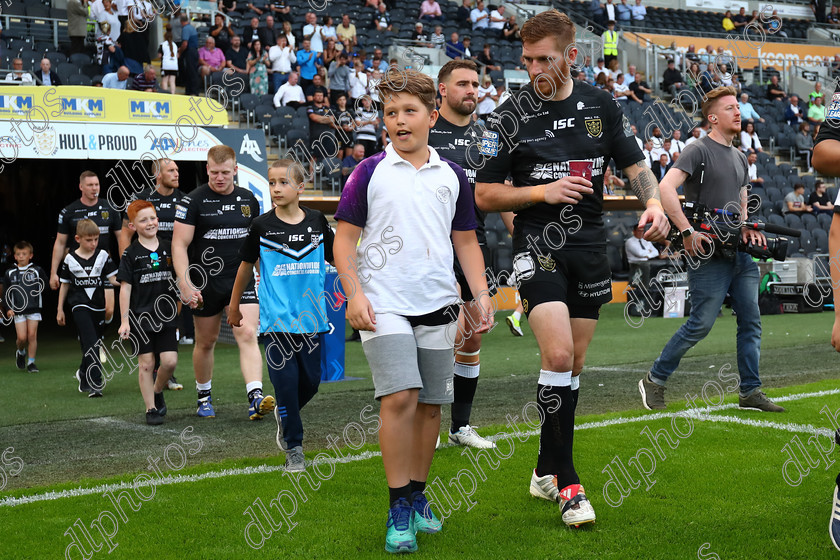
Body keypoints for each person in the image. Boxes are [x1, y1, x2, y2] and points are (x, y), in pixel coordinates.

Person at [475, 9, 669, 527]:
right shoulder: (510, 114)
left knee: (573, 367)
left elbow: (635, 167)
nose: (535, 68)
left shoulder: (601, 105)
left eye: (546, 58)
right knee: (557, 356)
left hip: (588, 246)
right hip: (536, 243)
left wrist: (651, 203)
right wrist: (542, 191)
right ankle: (570, 485)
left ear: (571, 56)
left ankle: (543, 467)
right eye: (528, 59)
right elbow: (485, 193)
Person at [334, 68, 493, 554]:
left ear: (430, 115)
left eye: (409, 111)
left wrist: (481, 294)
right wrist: (355, 293)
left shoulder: (453, 174)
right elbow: (343, 240)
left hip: (440, 302)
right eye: (390, 113)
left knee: (430, 408)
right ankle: (398, 504)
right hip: (383, 303)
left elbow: (465, 240)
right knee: (400, 397)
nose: (399, 121)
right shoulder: (368, 172)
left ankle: (419, 497)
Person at [639, 85, 784, 413]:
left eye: (738, 107)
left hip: (739, 253)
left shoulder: (739, 156)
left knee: (751, 320)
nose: (738, 112)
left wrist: (746, 226)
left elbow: (742, 195)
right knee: (701, 323)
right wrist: (687, 233)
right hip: (706, 253)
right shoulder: (697, 149)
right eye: (731, 108)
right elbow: (664, 188)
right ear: (713, 117)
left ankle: (750, 391)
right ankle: (655, 379)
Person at [230, 159, 334, 471]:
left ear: (301, 188)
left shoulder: (317, 220)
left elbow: (337, 256)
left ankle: (285, 412)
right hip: (276, 323)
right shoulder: (261, 226)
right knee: (286, 385)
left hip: (312, 321)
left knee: (311, 383)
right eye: (272, 182)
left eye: (283, 183)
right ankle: (295, 448)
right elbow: (245, 266)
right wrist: (234, 306)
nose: (276, 188)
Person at [430, 59, 506, 450]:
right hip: (428, 243)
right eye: (463, 83)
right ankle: (420, 418)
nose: (472, 90)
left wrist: (520, 233)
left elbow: (499, 190)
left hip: (473, 242)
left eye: (476, 83)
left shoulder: (488, 135)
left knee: (475, 334)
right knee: (429, 332)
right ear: (442, 90)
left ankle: (460, 426)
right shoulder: (424, 129)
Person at [172, 145, 274, 420]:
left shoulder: (248, 199)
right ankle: (203, 396)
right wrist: (185, 283)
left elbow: (258, 243)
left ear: (235, 170)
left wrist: (264, 275)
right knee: (206, 341)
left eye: (225, 173)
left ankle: (255, 396)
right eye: (215, 172)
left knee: (248, 333)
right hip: (205, 284)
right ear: (207, 169)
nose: (220, 177)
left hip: (240, 281)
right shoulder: (192, 201)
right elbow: (179, 245)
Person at [117, 200, 179, 425]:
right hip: (140, 318)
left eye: (152, 218)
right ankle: (150, 408)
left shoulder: (170, 246)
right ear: (132, 226)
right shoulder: (130, 254)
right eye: (143, 220)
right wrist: (125, 321)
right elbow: (125, 288)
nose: (150, 223)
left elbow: (180, 276)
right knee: (146, 364)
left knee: (170, 362)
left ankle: (157, 388)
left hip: (167, 315)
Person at [57, 219, 119, 397]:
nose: (93, 243)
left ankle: (83, 373)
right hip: (79, 306)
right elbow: (65, 284)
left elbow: (113, 279)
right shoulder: (69, 259)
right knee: (92, 344)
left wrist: (128, 282)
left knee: (91, 344)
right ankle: (95, 384)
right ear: (77, 238)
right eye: (89, 240)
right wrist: (59, 309)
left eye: (96, 239)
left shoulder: (103, 256)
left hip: (99, 307)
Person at [50, 171, 121, 291]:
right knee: (82, 305)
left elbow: (122, 238)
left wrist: (125, 268)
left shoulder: (110, 208)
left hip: (104, 264)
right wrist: (53, 273)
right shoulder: (69, 212)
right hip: (79, 267)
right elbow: (60, 243)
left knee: (109, 309)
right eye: (90, 185)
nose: (94, 188)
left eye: (97, 184)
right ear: (81, 187)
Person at [3, 241, 45, 372]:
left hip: (33, 309)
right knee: (22, 338)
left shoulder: (37, 270)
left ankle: (31, 363)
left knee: (32, 336)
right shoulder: (9, 273)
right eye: (18, 254)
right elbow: (6, 293)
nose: (21, 256)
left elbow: (45, 285)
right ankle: (21, 352)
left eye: (24, 254)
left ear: (30, 255)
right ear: (14, 256)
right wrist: (8, 308)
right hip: (18, 310)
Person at [625, 223, 666, 288]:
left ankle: (659, 286)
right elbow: (640, 254)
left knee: (662, 264)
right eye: (639, 231)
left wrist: (647, 255)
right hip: (636, 264)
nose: (641, 233)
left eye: (642, 231)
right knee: (646, 266)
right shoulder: (629, 242)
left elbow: (656, 252)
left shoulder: (645, 240)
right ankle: (646, 288)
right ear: (634, 231)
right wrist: (649, 252)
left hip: (649, 262)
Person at [178, 13, 200, 95]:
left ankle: (193, 91)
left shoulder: (186, 29)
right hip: (193, 51)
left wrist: (180, 53)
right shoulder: (191, 27)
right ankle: (191, 90)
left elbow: (185, 43)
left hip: (190, 52)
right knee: (192, 71)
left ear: (181, 21)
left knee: (191, 72)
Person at [158, 30, 179, 95]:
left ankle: (165, 95)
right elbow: (177, 55)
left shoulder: (162, 45)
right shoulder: (175, 45)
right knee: (172, 81)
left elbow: (159, 55)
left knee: (165, 81)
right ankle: (173, 94)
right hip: (174, 66)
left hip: (165, 65)